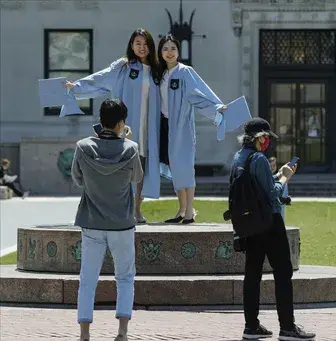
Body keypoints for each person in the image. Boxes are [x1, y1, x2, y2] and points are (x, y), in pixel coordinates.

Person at [63, 28, 160, 224]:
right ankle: (125, 209)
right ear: (131, 45)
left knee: (142, 165)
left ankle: (138, 210)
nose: (142, 48)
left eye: (145, 44)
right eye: (137, 43)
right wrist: (77, 87)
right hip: (126, 122)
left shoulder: (157, 70)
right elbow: (100, 78)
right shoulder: (123, 66)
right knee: (124, 166)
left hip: (149, 123)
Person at [231, 118, 315, 340]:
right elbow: (272, 193)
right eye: (265, 137)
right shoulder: (258, 158)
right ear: (257, 138)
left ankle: (251, 326)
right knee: (283, 271)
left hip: (249, 223)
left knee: (252, 274)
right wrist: (285, 177)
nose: (268, 141)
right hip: (269, 221)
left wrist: (276, 175)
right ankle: (287, 327)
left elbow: (259, 185)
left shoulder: (239, 157)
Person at [71, 99, 143, 341]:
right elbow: (136, 178)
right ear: (121, 122)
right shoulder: (131, 148)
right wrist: (125, 139)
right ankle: (122, 332)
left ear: (100, 120)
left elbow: (78, 180)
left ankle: (84, 334)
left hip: (91, 221)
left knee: (87, 279)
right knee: (124, 277)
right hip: (122, 222)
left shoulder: (82, 147)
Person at [156, 34, 227, 224]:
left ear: (178, 52)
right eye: (165, 49)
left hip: (182, 125)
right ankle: (181, 210)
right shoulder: (161, 75)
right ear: (160, 52)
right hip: (164, 125)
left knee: (185, 167)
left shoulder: (185, 72)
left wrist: (217, 106)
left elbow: (201, 92)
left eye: (173, 49)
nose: (169, 53)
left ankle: (189, 212)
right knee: (175, 167)